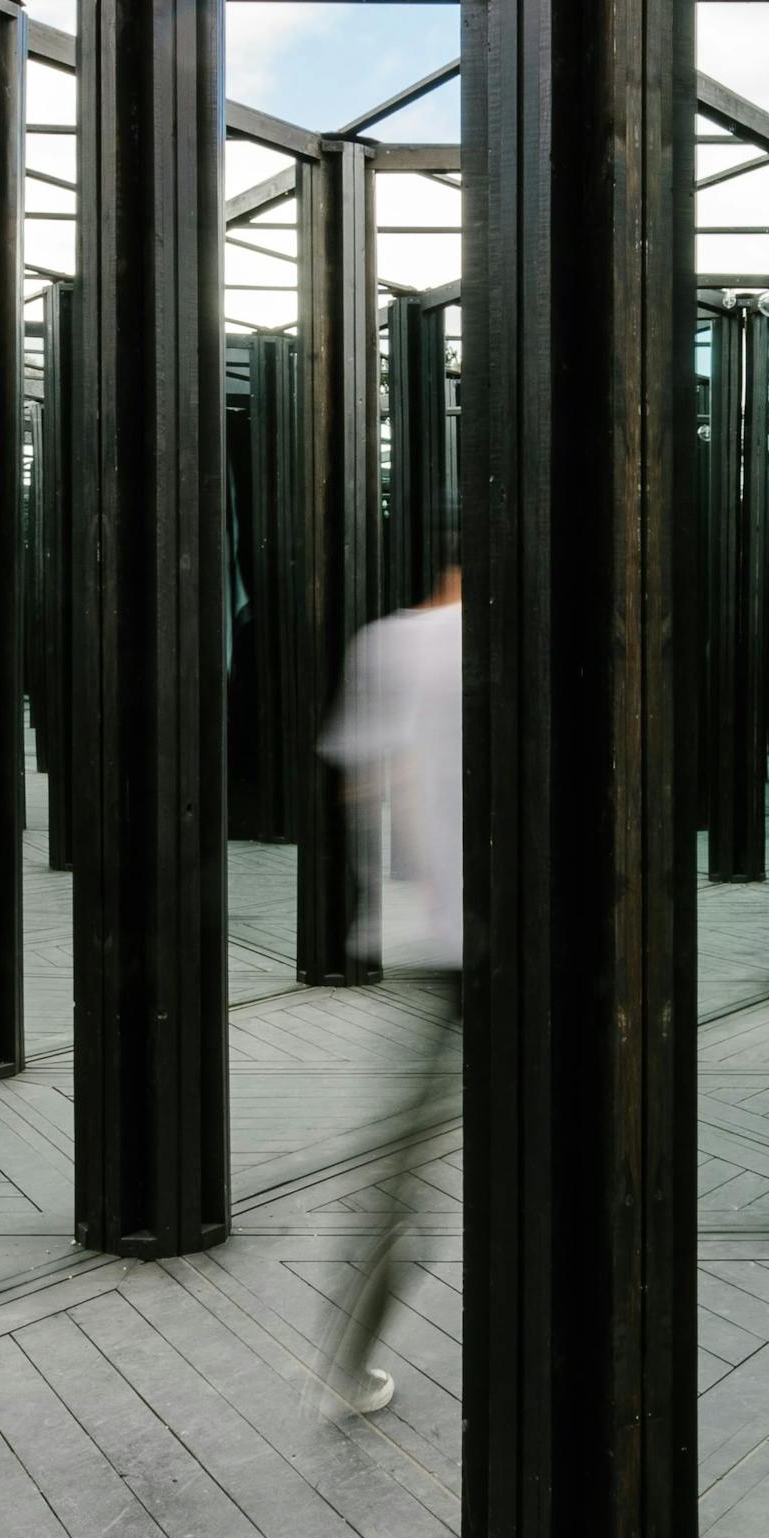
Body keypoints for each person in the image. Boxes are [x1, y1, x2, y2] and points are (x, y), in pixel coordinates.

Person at [312, 540, 464, 1416]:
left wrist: (417, 877)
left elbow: (367, 783)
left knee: (407, 1159)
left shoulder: (389, 643)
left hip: (428, 935)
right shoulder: (526, 645)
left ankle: (355, 1353)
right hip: (524, 940)